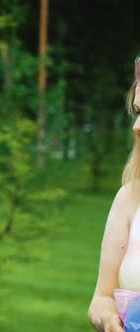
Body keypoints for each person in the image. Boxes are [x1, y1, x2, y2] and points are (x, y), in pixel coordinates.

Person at [89, 58, 140, 332]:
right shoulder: (130, 198)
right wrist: (108, 319)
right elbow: (103, 297)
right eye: (138, 111)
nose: (136, 126)